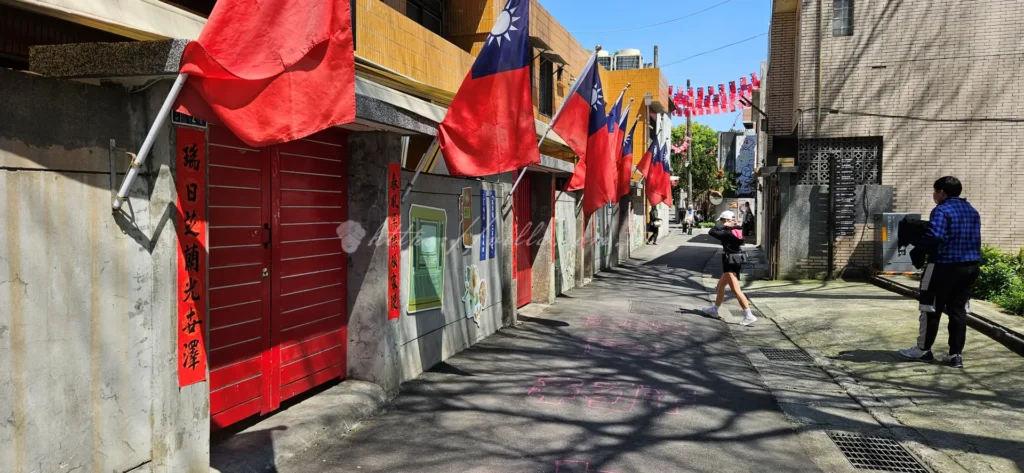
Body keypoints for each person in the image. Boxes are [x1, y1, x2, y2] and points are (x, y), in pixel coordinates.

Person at [899, 176, 981, 368]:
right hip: (970, 267)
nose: (934, 195)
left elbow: (935, 236)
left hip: (942, 267)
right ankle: (955, 355)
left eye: (935, 191)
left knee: (930, 308)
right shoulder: (972, 211)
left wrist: (917, 247)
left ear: (942, 192)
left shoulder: (941, 210)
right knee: (958, 311)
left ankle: (923, 350)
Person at [702, 211, 757, 326]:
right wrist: (729, 223)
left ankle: (749, 315)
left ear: (725, 220)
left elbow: (712, 231)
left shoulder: (727, 233)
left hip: (730, 262)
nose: (721, 223)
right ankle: (714, 310)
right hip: (735, 260)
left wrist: (724, 224)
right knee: (720, 286)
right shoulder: (738, 229)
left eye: (722, 220)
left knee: (736, 291)